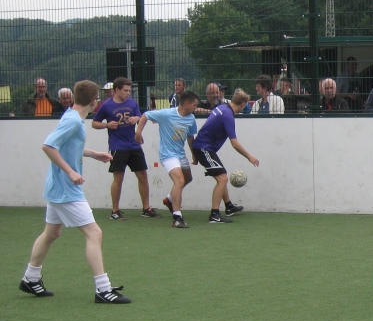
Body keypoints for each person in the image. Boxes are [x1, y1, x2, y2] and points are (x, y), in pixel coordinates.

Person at [18, 80, 132, 304]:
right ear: (94, 102)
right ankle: (103, 290)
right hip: (66, 190)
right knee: (94, 233)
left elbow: (67, 146)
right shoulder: (73, 121)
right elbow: (48, 146)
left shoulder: (72, 116)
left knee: (52, 233)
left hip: (57, 187)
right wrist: (70, 171)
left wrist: (93, 154)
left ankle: (30, 278)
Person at [91, 76, 160, 219]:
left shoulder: (132, 103)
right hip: (118, 146)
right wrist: (107, 125)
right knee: (119, 177)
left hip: (133, 144)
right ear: (116, 90)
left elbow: (141, 117)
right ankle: (115, 211)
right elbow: (94, 123)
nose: (128, 93)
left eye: (129, 90)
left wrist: (137, 119)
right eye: (125, 90)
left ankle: (146, 208)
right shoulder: (106, 105)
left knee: (142, 174)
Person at [192, 88, 260, 223]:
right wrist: (249, 156)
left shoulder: (222, 108)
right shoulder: (228, 115)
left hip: (203, 147)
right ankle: (214, 215)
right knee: (222, 178)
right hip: (204, 148)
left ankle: (228, 206)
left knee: (221, 176)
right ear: (242, 104)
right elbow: (234, 143)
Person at [135, 91, 200, 228]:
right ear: (186, 103)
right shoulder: (167, 114)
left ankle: (169, 199)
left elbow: (190, 137)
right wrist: (138, 133)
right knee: (179, 181)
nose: (196, 108)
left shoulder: (191, 118)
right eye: (194, 105)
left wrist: (194, 154)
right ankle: (177, 217)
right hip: (167, 155)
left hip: (180, 154)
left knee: (187, 179)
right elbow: (146, 115)